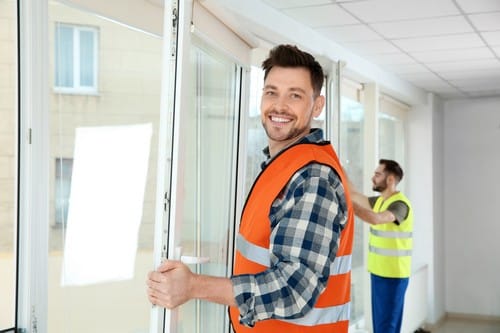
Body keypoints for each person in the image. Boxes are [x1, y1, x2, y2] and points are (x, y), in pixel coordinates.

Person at [146, 44, 355, 332]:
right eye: (272, 92)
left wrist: (193, 285)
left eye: (295, 95)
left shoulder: (313, 176)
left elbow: (295, 290)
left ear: (317, 106)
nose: (279, 105)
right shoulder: (282, 166)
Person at [349, 159, 413, 333]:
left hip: (393, 276)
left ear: (390, 179)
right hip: (378, 273)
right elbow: (353, 193)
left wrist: (348, 205)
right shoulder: (379, 202)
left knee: (386, 327)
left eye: (377, 174)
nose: (373, 178)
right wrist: (335, 163)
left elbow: (376, 219)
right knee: (381, 326)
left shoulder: (400, 204)